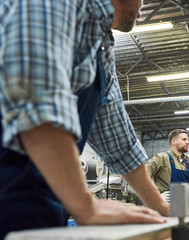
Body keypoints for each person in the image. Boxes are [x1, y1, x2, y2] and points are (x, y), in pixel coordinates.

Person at [0, 0, 169, 238]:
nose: (143, 5)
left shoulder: (100, 41)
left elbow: (119, 141)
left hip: (40, 202)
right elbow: (36, 96)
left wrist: (162, 209)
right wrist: (85, 205)